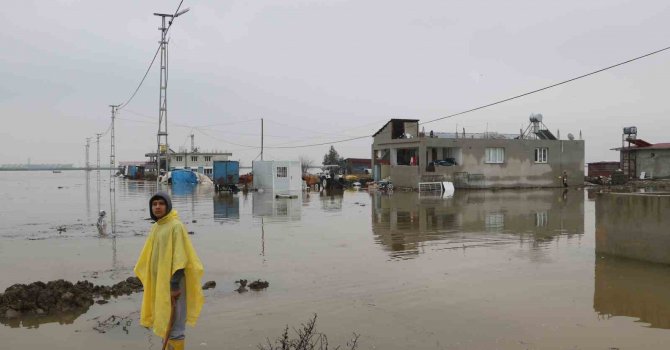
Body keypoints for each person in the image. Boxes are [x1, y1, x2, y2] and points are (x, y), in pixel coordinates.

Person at [134, 192, 204, 350]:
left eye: (161, 203)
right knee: (165, 321)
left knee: (175, 326)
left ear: (168, 206)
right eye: (154, 204)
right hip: (161, 284)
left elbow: (181, 258)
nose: (157, 207)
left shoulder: (175, 226)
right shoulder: (157, 227)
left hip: (175, 284)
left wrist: (174, 286)